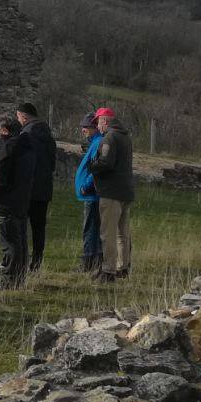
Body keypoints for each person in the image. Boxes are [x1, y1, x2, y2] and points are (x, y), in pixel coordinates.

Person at [90, 107, 136, 283]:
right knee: (122, 233)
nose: (97, 126)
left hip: (111, 192)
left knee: (107, 233)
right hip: (126, 191)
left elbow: (106, 163)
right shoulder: (126, 137)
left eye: (98, 122)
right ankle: (122, 267)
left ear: (105, 121)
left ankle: (108, 270)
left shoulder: (109, 137)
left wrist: (92, 165)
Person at [0, 113, 33, 289]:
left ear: (5, 130)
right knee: (20, 239)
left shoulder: (7, 147)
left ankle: (10, 278)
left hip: (7, 200)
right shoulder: (27, 146)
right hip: (22, 198)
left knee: (10, 240)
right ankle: (19, 276)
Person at [15, 104, 57, 273]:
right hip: (44, 187)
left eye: (18, 116)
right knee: (38, 227)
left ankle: (21, 260)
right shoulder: (48, 135)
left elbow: (22, 162)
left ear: (24, 116)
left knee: (20, 226)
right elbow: (52, 162)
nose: (18, 120)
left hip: (27, 187)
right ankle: (37, 261)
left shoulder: (26, 134)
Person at [74, 112, 104, 272]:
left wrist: (86, 185)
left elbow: (97, 169)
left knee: (90, 229)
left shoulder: (98, 142)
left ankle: (88, 262)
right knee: (93, 228)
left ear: (94, 128)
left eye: (86, 127)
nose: (83, 130)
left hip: (92, 195)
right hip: (91, 194)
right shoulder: (95, 142)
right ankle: (95, 261)